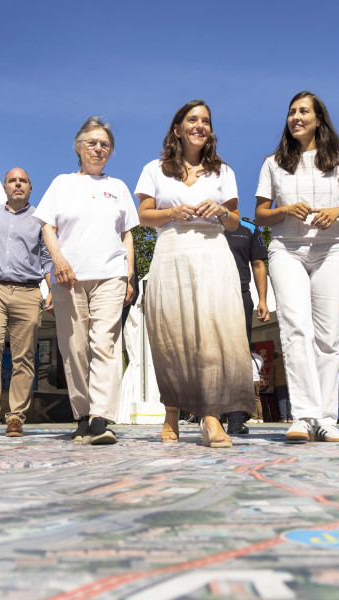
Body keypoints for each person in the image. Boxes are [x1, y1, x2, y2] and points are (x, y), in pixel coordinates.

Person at [136, 99, 251, 448]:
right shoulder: (154, 169)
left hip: (213, 253)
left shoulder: (223, 172)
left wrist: (220, 210)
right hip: (171, 252)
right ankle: (171, 413)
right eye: (192, 119)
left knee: (215, 336)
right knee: (173, 336)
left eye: (205, 121)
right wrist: (172, 213)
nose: (199, 125)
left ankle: (211, 417)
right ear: (177, 128)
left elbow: (234, 221)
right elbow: (143, 215)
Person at [254, 91, 339, 443]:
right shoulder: (273, 162)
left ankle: (326, 419)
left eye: (304, 111)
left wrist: (338, 212)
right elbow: (260, 214)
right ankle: (303, 416)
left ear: (319, 119)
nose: (296, 117)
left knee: (329, 336)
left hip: (330, 250)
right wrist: (285, 210)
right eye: (291, 112)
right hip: (286, 250)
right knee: (295, 328)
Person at [35, 117, 138, 445]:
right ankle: (82, 414)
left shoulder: (118, 187)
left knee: (103, 343)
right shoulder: (62, 183)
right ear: (78, 148)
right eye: (92, 143)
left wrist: (129, 274)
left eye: (105, 144)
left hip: (110, 275)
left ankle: (100, 418)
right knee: (74, 347)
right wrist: (58, 261)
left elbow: (127, 234)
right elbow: (47, 227)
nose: (98, 148)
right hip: (68, 278)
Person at [0, 168, 52, 438]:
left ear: (31, 188)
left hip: (29, 291)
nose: (18, 184)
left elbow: (47, 256)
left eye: (23, 181)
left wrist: (50, 287)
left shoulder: (41, 217)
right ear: (5, 187)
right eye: (12, 180)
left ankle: (16, 416)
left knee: (24, 355)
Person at [223, 221, 271, 433]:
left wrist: (263, 300)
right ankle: (210, 415)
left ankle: (236, 417)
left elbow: (258, 264)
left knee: (239, 356)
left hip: (240, 294)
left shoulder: (249, 229)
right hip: (209, 293)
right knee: (209, 354)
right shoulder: (204, 224)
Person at [251, 350, 266, 424]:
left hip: (251, 379)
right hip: (257, 379)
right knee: (257, 398)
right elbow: (262, 369)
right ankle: (260, 418)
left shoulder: (248, 357)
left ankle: (254, 417)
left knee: (252, 398)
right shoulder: (259, 357)